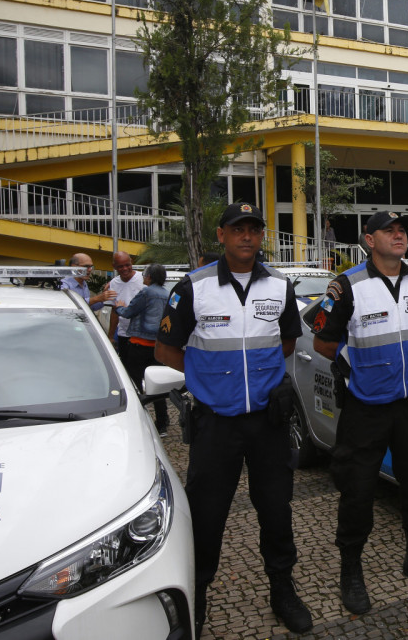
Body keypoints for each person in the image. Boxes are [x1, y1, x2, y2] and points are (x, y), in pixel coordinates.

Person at [154, 202, 311, 635]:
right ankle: (198, 593)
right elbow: (166, 351)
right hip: (216, 424)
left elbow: (286, 343)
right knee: (207, 515)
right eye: (237, 229)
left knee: (276, 511)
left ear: (262, 237)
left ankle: (283, 589)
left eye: (254, 230)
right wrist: (210, 384)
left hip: (267, 422)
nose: (247, 236)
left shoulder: (280, 286)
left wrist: (257, 380)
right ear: (220, 235)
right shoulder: (193, 287)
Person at [310, 211, 408, 615]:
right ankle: (351, 571)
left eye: (402, 229)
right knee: (358, 491)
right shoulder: (346, 285)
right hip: (365, 407)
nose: (399, 235)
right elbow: (322, 341)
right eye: (389, 230)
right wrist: (357, 370)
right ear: (370, 240)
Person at [116, 263, 170, 435]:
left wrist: (118, 305)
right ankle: (162, 423)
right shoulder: (166, 294)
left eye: (145, 275)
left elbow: (128, 312)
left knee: (135, 384)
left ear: (150, 277)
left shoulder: (146, 292)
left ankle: (138, 421)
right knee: (157, 386)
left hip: (138, 343)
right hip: (157, 346)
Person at [106, 251, 144, 363]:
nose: (125, 268)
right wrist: (111, 336)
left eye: (127, 265)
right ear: (114, 267)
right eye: (120, 266)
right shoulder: (113, 283)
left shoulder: (143, 278)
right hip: (123, 333)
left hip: (142, 334)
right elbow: (114, 311)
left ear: (131, 262)